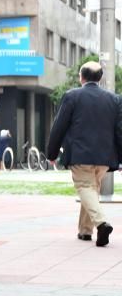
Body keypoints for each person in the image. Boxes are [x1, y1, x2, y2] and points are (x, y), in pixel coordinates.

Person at [46, 61, 122, 246]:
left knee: (85, 188)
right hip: (104, 157)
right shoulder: (114, 99)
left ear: (81, 77)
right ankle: (85, 231)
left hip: (81, 155)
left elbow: (59, 126)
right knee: (91, 190)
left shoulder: (72, 96)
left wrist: (51, 153)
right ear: (100, 78)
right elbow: (119, 130)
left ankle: (101, 224)